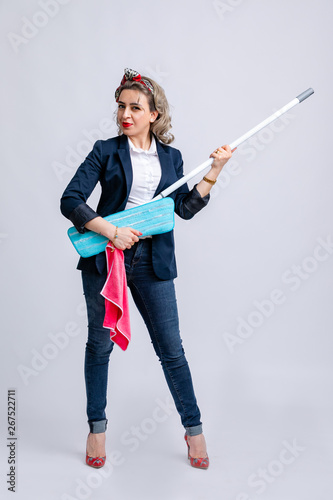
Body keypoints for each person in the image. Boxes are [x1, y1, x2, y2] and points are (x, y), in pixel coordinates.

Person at [60, 68, 232, 470]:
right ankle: (97, 430)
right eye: (121, 106)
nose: (125, 114)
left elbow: (184, 210)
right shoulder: (105, 150)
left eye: (135, 107)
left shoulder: (173, 158)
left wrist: (215, 171)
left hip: (154, 262)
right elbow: (70, 200)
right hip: (106, 259)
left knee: (172, 351)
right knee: (99, 347)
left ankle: (194, 432)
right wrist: (111, 231)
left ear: (154, 113)